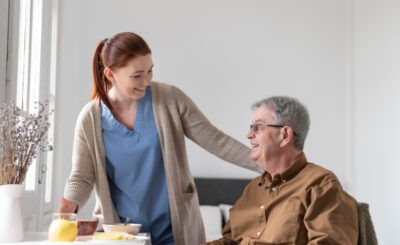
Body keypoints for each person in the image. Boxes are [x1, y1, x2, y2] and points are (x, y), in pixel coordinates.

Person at [57, 32, 260, 245]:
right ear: (110, 74)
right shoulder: (90, 118)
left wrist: (266, 164)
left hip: (174, 231)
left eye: (150, 71)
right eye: (137, 75)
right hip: (122, 234)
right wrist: (68, 204)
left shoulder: (170, 99)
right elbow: (81, 176)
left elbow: (217, 141)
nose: (146, 81)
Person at [204, 96, 359, 245]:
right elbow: (231, 241)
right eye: (251, 127)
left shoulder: (321, 185)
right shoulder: (252, 189)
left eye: (258, 127)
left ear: (285, 135)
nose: (249, 134)